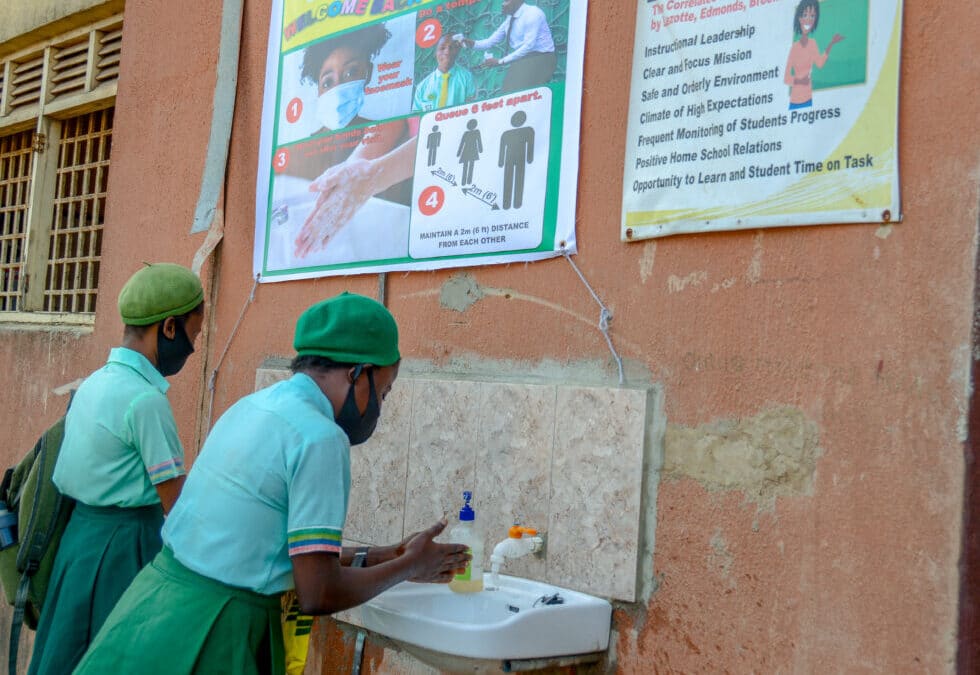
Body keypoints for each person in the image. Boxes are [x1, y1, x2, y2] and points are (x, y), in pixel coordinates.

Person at [74, 292, 471, 675]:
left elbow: (264, 547)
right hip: (220, 628)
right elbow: (319, 592)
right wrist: (410, 566)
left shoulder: (252, 406)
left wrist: (385, 555)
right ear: (357, 372)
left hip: (153, 606)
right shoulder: (320, 437)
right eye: (383, 391)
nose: (380, 407)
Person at [27, 262, 205, 675]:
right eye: (192, 334)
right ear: (168, 328)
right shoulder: (146, 401)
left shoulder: (92, 384)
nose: (192, 348)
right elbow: (175, 504)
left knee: (68, 654)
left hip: (78, 543)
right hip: (125, 546)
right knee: (121, 657)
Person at [287, 22, 418, 259]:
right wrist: (358, 176)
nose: (339, 87)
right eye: (328, 81)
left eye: (350, 73)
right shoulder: (296, 153)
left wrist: (373, 175)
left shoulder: (390, 122)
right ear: (318, 90)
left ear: (367, 73)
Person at [461, 0, 556, 94]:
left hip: (542, 58)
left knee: (525, 94)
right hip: (523, 60)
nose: (502, 4)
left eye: (506, 1)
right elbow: (489, 42)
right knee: (508, 94)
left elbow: (528, 46)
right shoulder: (510, 19)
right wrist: (469, 42)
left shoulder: (533, 14)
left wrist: (500, 61)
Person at [783, 0, 843, 110]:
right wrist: (799, 81)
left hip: (808, 98)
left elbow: (819, 63)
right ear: (799, 18)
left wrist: (831, 44)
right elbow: (786, 78)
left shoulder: (813, 44)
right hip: (795, 100)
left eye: (812, 16)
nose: (808, 20)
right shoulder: (794, 48)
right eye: (805, 15)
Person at [413, 35, 476, 112]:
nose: (447, 52)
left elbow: (472, 110)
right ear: (435, 53)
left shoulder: (467, 78)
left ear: (457, 51)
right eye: (442, 48)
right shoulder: (422, 87)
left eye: (451, 48)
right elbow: (416, 117)